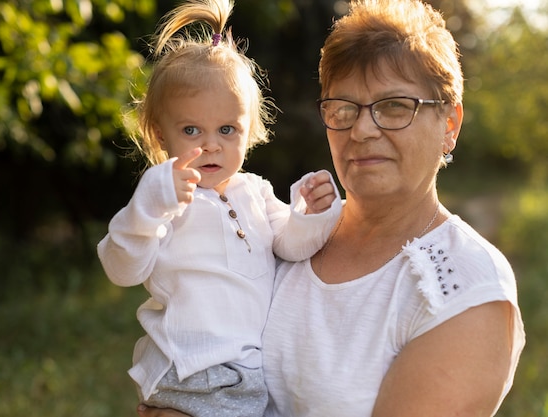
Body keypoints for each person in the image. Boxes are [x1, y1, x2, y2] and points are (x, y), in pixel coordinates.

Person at [137, 0, 525, 416]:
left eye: (394, 106)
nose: (361, 129)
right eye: (343, 108)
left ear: (449, 124)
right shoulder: (283, 232)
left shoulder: (465, 288)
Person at [96, 0, 342, 416]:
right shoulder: (165, 199)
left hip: (251, 377)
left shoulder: (257, 191)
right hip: (188, 375)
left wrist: (314, 215)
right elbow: (122, 269)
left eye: (227, 129)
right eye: (192, 130)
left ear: (250, 130)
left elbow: (291, 245)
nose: (211, 144)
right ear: (160, 134)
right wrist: (149, 208)